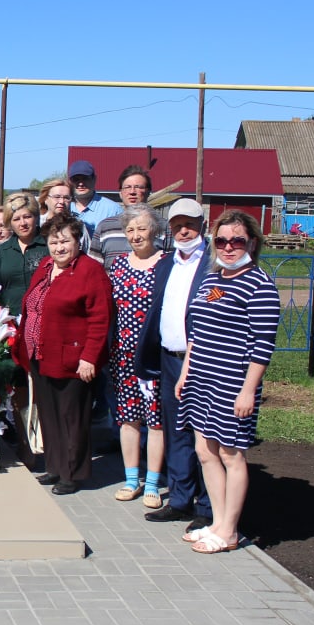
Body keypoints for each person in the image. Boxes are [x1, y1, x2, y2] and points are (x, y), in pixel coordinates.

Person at [177, 211, 281, 553]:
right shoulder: (212, 279)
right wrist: (185, 372)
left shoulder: (260, 284)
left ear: (251, 242)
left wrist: (249, 389)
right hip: (201, 378)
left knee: (231, 453)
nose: (229, 247)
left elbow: (262, 345)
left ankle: (230, 530)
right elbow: (196, 332)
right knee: (205, 451)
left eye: (237, 240)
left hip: (232, 382)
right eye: (221, 241)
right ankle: (217, 521)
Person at [13, 213, 112, 495]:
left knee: (72, 416)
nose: (59, 247)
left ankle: (72, 473)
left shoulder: (90, 270)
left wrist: (90, 357)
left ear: (77, 241)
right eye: (54, 242)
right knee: (50, 414)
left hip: (74, 358)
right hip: (41, 354)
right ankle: (55, 466)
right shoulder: (45, 266)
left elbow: (100, 317)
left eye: (65, 241)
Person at [137, 198, 214, 534]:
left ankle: (210, 506)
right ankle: (181, 498)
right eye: (178, 224)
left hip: (204, 361)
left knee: (207, 434)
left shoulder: (214, 262)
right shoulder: (168, 264)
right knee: (176, 429)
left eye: (191, 224)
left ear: (203, 226)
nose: (184, 230)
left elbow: (214, 304)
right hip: (170, 358)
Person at [108, 203, 166, 507]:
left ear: (154, 229)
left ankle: (153, 483)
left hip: (154, 356)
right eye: (130, 230)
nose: (135, 235)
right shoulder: (119, 264)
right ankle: (132, 480)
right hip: (123, 354)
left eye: (141, 228)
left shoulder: (166, 264)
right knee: (128, 419)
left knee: (156, 420)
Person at [0, 191, 46, 315]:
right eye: (16, 219)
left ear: (36, 217)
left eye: (27, 217)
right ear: (9, 223)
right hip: (11, 319)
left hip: (44, 317)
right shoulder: (4, 251)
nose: (23, 223)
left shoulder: (49, 246)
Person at [91, 165, 156, 267]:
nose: (132, 192)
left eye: (138, 187)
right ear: (120, 193)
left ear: (148, 192)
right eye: (127, 187)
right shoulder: (105, 227)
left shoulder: (163, 226)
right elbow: (93, 268)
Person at [67, 159, 121, 236]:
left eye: (85, 178)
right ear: (69, 182)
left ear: (94, 179)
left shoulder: (112, 210)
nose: (81, 183)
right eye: (76, 179)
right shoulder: (64, 207)